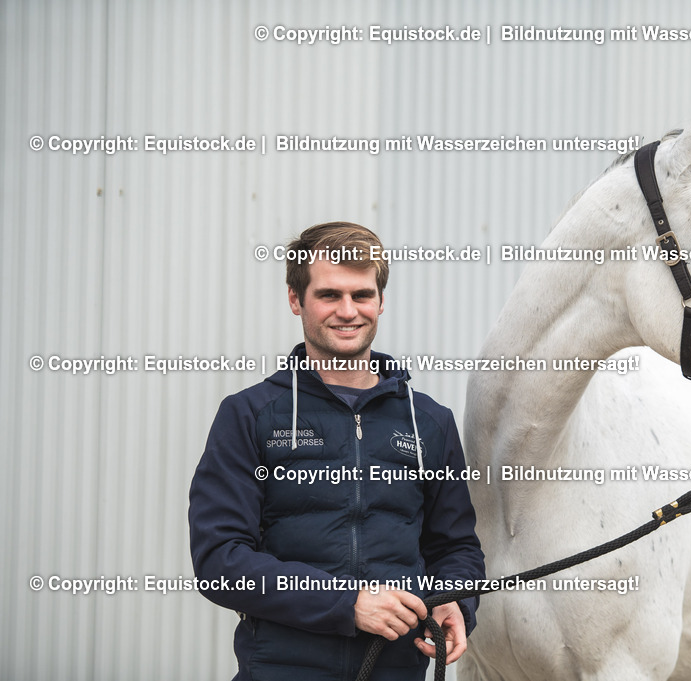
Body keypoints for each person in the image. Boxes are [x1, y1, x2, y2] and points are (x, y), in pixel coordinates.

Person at [189, 222, 486, 681]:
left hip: (395, 670)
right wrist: (347, 604)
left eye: (362, 295)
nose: (348, 311)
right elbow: (220, 559)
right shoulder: (250, 415)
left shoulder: (429, 422)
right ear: (296, 300)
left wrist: (455, 600)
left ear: (381, 301)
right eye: (329, 295)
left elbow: (456, 547)